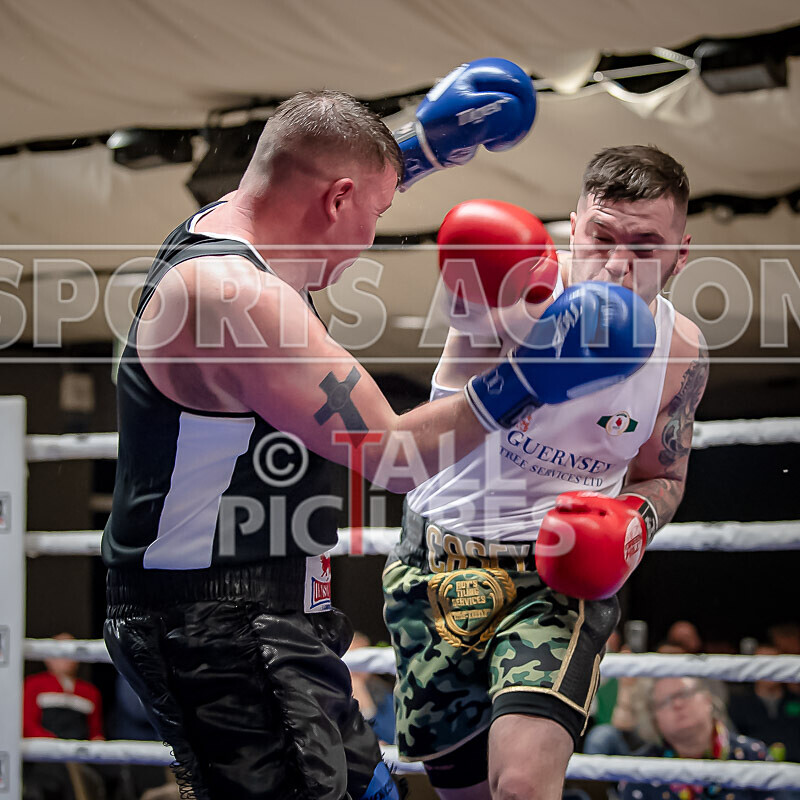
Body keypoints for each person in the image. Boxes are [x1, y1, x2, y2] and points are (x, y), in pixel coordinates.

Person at [100, 62, 651, 800]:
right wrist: (534, 374)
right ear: (336, 199)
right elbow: (395, 453)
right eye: (377, 211)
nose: (369, 241)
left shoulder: (238, 224)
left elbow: (318, 179)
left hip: (262, 613)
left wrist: (420, 147)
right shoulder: (236, 298)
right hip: (217, 631)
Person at [382, 145, 709, 800]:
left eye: (646, 245)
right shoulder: (512, 287)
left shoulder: (683, 353)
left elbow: (662, 479)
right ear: (571, 229)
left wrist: (630, 521)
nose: (618, 262)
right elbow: (413, 446)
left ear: (680, 254)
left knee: (524, 784)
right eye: (602, 236)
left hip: (554, 578)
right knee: (466, 792)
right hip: (438, 564)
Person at [618, 677, 774, 800]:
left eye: (684, 694)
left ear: (708, 699)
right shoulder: (640, 771)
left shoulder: (753, 755)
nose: (677, 704)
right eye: (665, 701)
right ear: (654, 719)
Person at [23, 633, 106, 800]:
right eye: (61, 652)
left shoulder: (90, 692)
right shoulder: (34, 684)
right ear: (47, 658)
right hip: (47, 755)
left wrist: (97, 746)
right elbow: (26, 724)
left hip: (81, 756)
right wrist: (55, 746)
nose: (67, 658)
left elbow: (95, 732)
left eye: (71, 652)